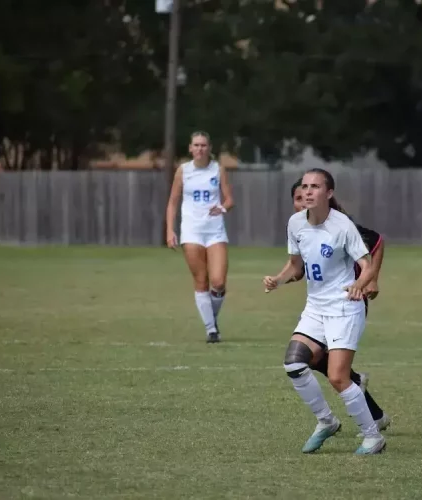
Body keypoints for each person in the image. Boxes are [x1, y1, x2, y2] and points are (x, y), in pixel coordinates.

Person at [263, 168, 386, 455]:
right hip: (315, 307)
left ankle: (373, 437)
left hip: (344, 307)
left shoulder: (342, 225)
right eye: (304, 186)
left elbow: (367, 265)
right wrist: (278, 280)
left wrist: (359, 284)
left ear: (328, 193)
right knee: (294, 364)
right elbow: (296, 265)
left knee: (338, 378)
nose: (307, 191)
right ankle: (326, 421)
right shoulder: (295, 223)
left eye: (314, 186)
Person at [288, 178, 391, 437]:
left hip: (348, 301)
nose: (303, 201)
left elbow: (376, 241)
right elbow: (300, 266)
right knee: (307, 359)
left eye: (309, 194)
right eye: (298, 199)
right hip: (320, 304)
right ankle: (372, 411)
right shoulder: (301, 227)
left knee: (326, 366)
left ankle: (366, 424)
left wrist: (372, 279)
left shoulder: (339, 224)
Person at [166, 131, 234, 343]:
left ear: (209, 148)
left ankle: (210, 320)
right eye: (196, 145)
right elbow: (172, 203)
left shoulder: (217, 169)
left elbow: (230, 199)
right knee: (201, 280)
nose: (199, 149)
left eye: (203, 145)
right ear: (190, 148)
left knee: (218, 281)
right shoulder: (183, 171)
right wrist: (170, 230)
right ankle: (211, 330)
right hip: (192, 231)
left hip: (215, 231)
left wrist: (222, 208)